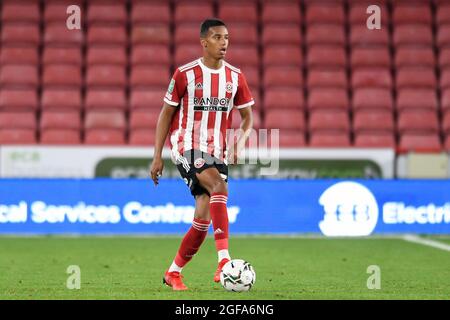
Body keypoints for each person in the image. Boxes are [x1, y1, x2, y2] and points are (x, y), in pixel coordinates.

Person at [149, 18, 254, 291]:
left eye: (227, 38)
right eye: (218, 38)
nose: (224, 43)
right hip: (187, 144)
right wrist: (157, 155)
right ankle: (224, 261)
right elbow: (165, 114)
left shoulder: (235, 76)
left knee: (202, 220)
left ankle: (173, 272)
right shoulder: (185, 73)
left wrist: (239, 142)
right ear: (204, 42)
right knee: (219, 186)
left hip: (217, 150)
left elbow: (247, 118)